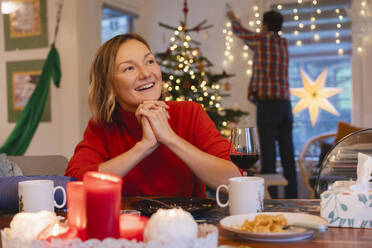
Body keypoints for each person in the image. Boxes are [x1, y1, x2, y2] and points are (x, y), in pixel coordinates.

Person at [65, 33, 241, 197]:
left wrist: (170, 138)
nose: (146, 74)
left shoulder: (190, 113)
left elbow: (235, 181)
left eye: (149, 61)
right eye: (129, 68)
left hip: (187, 227)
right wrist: (143, 147)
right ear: (108, 85)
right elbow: (73, 184)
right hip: (129, 227)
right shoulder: (102, 127)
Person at [227, 10, 298, 198]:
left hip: (268, 106)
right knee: (288, 154)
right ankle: (293, 198)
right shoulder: (283, 43)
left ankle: (271, 200)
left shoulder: (262, 40)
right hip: (285, 105)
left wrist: (234, 19)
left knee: (268, 155)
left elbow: (240, 32)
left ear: (265, 25)